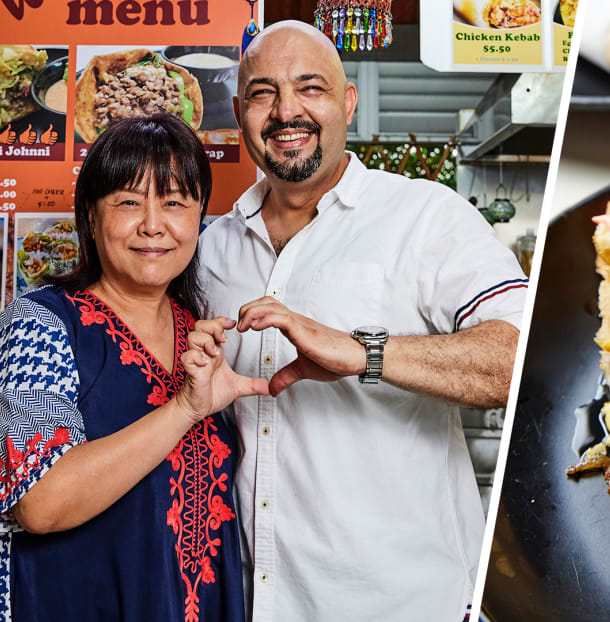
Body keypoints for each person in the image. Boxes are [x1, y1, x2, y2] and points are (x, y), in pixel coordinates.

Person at [198, 20, 528, 621]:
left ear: (348, 102)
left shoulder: (426, 216)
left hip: (405, 603)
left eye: (311, 88)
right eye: (264, 93)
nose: (286, 111)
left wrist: (364, 351)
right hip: (255, 602)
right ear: (242, 111)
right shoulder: (209, 249)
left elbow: (520, 358)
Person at [0, 114, 267, 621]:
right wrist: (183, 410)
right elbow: (40, 503)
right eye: (129, 201)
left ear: (199, 215)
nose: (153, 224)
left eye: (175, 202)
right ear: (91, 216)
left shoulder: (198, 333)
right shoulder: (38, 325)